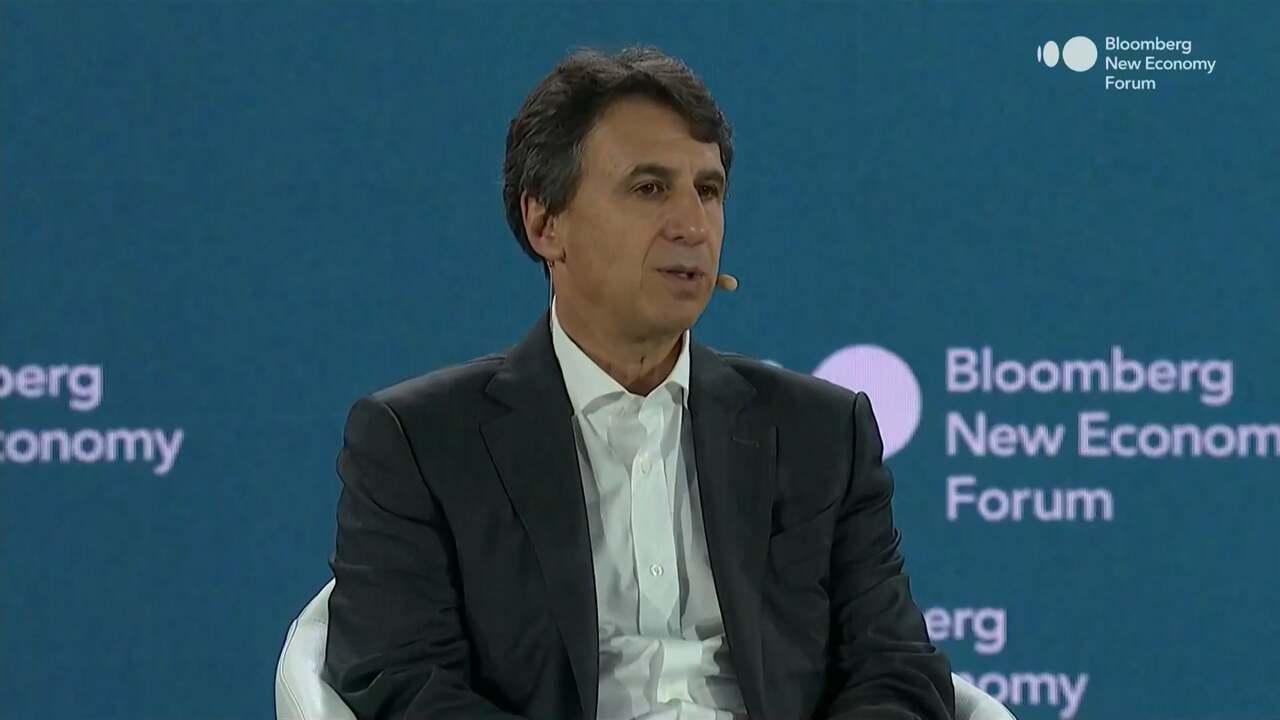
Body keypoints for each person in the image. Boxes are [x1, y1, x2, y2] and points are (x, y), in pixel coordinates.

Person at [324, 46, 954, 720]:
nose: (692, 226)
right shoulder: (420, 442)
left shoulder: (822, 434)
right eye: (650, 188)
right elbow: (400, 682)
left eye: (707, 191)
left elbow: (895, 671)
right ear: (545, 224)